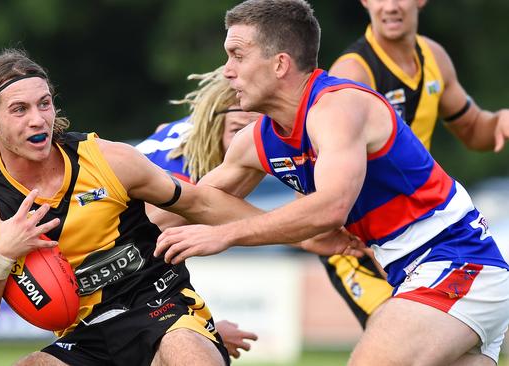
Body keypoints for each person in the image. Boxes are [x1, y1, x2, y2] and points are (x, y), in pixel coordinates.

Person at [153, 1, 509, 365]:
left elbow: (331, 206)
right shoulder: (259, 139)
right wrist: (115, 203)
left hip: (458, 262)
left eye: (237, 55)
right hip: (415, 272)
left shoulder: (336, 107)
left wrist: (228, 234)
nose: (227, 71)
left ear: (279, 64)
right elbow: (198, 201)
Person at [0, 48, 265, 366]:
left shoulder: (108, 159)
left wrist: (293, 227)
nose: (38, 119)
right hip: (84, 337)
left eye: (44, 104)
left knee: (186, 351)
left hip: (163, 308)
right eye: (19, 110)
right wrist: (0, 256)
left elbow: (201, 202)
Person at [319, 0, 509, 329]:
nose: (390, 7)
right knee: (404, 341)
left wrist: (498, 122)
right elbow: (329, 180)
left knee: (448, 341)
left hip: (421, 230)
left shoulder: (434, 57)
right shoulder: (353, 73)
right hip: (361, 244)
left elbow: (473, 129)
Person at [136, 66, 262, 358]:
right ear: (213, 124)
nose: (246, 141)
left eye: (253, 131)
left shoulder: (196, 133)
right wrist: (209, 329)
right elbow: (141, 263)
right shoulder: (179, 182)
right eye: (237, 130)